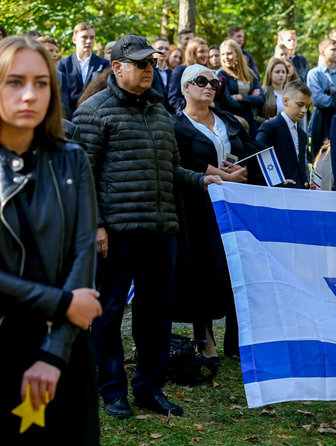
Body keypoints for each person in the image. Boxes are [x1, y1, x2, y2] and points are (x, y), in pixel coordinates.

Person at [73, 34, 221, 419]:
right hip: (117, 235)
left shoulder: (159, 111)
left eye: (151, 64)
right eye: (140, 64)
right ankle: (112, 392)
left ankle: (148, 389)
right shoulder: (93, 112)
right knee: (107, 314)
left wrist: (202, 180)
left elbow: (171, 171)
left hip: (161, 231)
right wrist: (98, 227)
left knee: (156, 315)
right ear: (117, 67)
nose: (148, 70)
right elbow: (82, 176)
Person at [0, 34, 101, 445]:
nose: (30, 94)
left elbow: (83, 251)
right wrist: (63, 303)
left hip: (67, 342)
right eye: (15, 82)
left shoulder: (71, 157)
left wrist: (54, 353)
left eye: (41, 83)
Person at [172, 64, 254, 366]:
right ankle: (204, 336)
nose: (209, 86)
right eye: (201, 81)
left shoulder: (228, 120)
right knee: (204, 269)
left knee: (237, 267)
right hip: (198, 206)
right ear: (185, 88)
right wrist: (221, 175)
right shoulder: (176, 125)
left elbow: (249, 148)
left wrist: (241, 170)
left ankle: (237, 338)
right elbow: (183, 159)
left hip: (234, 202)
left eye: (214, 82)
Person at [257, 80, 312, 188]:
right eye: (300, 104)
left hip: (299, 192)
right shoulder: (270, 127)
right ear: (285, 101)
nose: (304, 110)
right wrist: (278, 181)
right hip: (278, 192)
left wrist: (305, 182)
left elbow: (299, 165)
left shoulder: (302, 135)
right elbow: (259, 159)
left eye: (307, 106)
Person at [306, 38, 336, 160]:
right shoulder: (314, 74)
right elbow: (318, 98)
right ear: (323, 52)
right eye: (333, 50)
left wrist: (334, 95)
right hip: (322, 119)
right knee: (320, 155)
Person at [57, 22, 110, 119]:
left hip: (96, 118)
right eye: (84, 37)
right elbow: (61, 97)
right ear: (74, 39)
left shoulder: (104, 64)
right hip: (69, 118)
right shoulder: (63, 64)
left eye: (92, 37)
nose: (89, 41)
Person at [216, 39, 264, 138]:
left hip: (251, 119)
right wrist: (251, 100)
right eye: (223, 54)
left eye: (229, 53)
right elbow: (228, 102)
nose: (226, 57)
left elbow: (262, 99)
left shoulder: (249, 73)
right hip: (233, 122)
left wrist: (242, 97)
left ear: (237, 54)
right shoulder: (221, 74)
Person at [168, 38, 208, 113]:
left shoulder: (205, 72)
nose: (205, 55)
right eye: (201, 51)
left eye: (206, 51)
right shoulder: (181, 70)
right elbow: (173, 98)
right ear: (192, 53)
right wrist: (191, 107)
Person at [258, 57, 289, 124]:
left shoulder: (290, 92)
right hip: (268, 130)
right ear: (270, 73)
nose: (281, 75)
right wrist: (267, 122)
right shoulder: (263, 91)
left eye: (283, 72)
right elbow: (254, 115)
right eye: (277, 72)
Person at [150, 37, 173, 113]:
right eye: (160, 48)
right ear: (152, 50)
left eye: (167, 49)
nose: (164, 51)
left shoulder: (171, 73)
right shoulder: (148, 71)